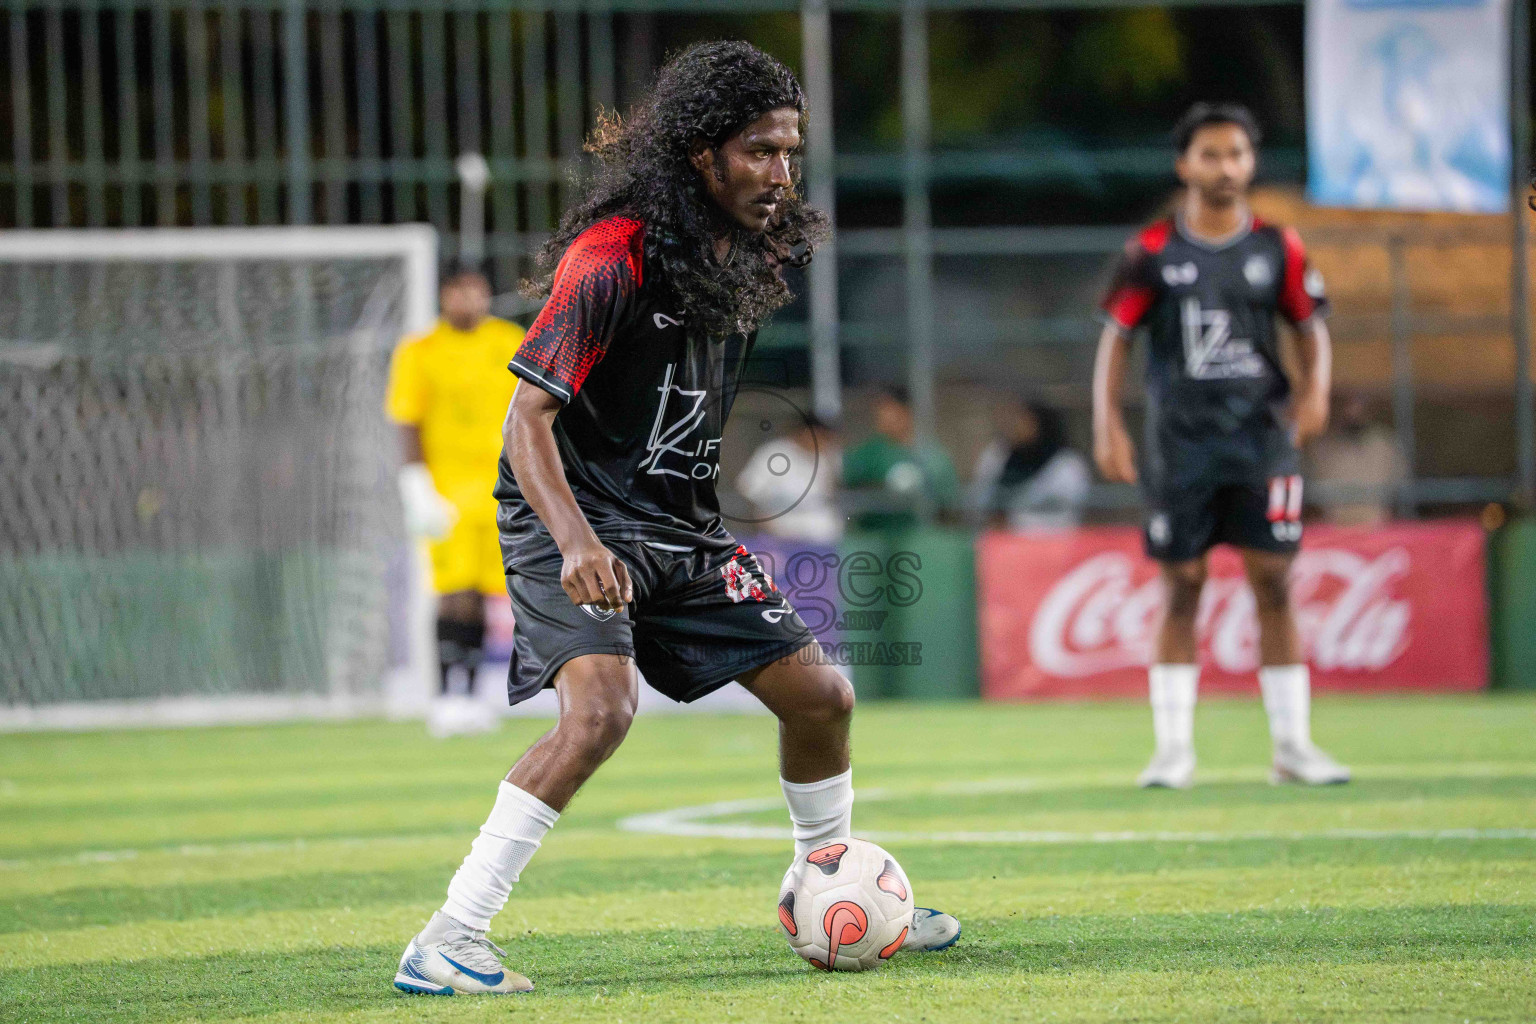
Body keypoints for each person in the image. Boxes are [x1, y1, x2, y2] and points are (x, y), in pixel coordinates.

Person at [393, 41, 959, 997]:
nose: (781, 173)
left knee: (823, 698)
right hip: (568, 517)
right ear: (701, 155)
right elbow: (524, 416)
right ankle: (449, 936)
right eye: (759, 152)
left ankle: (822, 881)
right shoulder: (610, 258)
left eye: (790, 152)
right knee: (601, 714)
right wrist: (575, 542)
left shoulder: (752, 246)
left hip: (680, 528)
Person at [1092, 102, 1351, 790]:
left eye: (1236, 153)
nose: (1226, 166)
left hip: (1263, 443)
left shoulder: (1278, 246)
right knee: (1183, 586)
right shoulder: (1149, 252)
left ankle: (1293, 747)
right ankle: (1174, 751)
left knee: (1275, 583)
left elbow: (1310, 323)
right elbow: (1115, 339)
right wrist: (1107, 422)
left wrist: (1316, 389)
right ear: (1185, 166)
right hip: (1181, 448)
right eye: (1210, 154)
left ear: (1251, 161)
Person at [385, 270, 525, 738]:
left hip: (499, 490)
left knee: (485, 595)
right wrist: (416, 484)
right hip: (445, 492)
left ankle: (472, 695)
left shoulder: (508, 340)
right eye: (463, 292)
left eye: (481, 292)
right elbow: (408, 419)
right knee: (451, 591)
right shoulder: (420, 350)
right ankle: (444, 694)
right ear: (446, 297)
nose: (473, 300)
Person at [841, 385, 960, 530]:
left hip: (918, 535)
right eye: (879, 412)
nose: (883, 418)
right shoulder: (868, 453)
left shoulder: (931, 455)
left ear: (906, 412)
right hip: (876, 535)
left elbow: (947, 500)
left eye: (889, 411)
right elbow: (848, 485)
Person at [969, 397, 1091, 532]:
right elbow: (979, 499)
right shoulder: (998, 455)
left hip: (1051, 541)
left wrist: (1014, 520)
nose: (1016, 426)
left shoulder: (1066, 463)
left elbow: (1066, 511)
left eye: (1024, 420)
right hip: (1001, 540)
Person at [735, 414, 844, 543]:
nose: (824, 441)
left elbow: (832, 492)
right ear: (806, 433)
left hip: (820, 534)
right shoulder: (775, 452)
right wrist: (764, 515)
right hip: (781, 532)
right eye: (821, 436)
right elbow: (747, 487)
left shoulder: (829, 456)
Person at [1306, 393, 1406, 526]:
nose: (1353, 411)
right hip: (1334, 526)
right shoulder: (1322, 447)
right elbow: (1310, 489)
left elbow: (1401, 486)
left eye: (1360, 405)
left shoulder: (1386, 443)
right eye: (1348, 405)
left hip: (1377, 526)